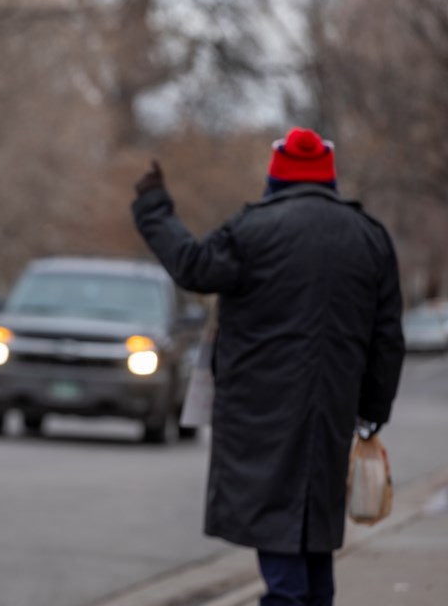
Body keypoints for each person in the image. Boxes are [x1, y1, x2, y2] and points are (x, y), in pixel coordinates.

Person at [132, 127, 404, 605]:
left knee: (280, 545)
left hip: (259, 412)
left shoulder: (252, 229)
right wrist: (372, 410)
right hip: (332, 412)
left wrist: (155, 209)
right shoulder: (370, 236)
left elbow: (194, 266)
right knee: (314, 536)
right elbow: (387, 338)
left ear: (276, 176)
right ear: (329, 176)